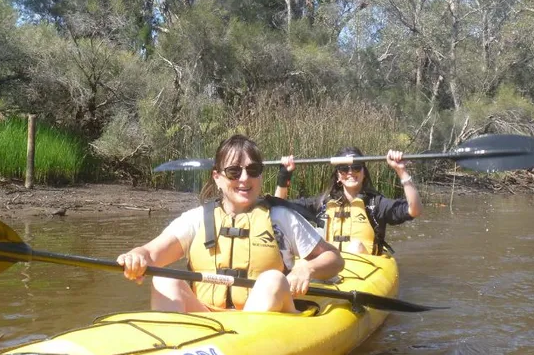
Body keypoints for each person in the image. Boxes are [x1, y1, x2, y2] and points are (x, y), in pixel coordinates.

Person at [117, 135, 344, 314]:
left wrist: (306, 268)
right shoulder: (196, 219)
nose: (244, 179)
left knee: (272, 279)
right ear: (217, 177)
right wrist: (137, 256)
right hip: (208, 318)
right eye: (234, 172)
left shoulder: (280, 217)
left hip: (267, 322)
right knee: (164, 279)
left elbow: (334, 259)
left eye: (253, 170)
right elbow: (151, 252)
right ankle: (170, 354)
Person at [275, 147, 423, 255]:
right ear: (338, 175)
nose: (351, 172)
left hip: (365, 268)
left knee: (355, 246)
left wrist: (401, 170)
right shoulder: (323, 204)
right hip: (330, 264)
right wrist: (284, 175)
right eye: (344, 169)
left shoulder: (376, 204)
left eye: (356, 168)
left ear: (364, 173)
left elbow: (414, 210)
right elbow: (278, 206)